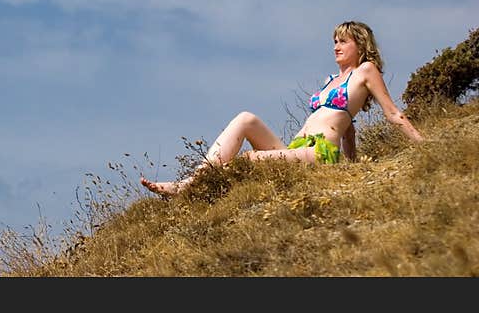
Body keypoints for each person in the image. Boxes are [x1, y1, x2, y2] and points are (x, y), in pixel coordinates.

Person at [140, 21, 425, 196]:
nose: (336, 46)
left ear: (360, 45)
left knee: (251, 159)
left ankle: (195, 190)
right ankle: (193, 183)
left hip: (321, 153)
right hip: (297, 147)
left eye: (343, 41)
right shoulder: (330, 81)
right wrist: (351, 166)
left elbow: (393, 113)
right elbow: (347, 130)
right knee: (245, 118)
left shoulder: (365, 71)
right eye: (334, 41)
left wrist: (425, 145)